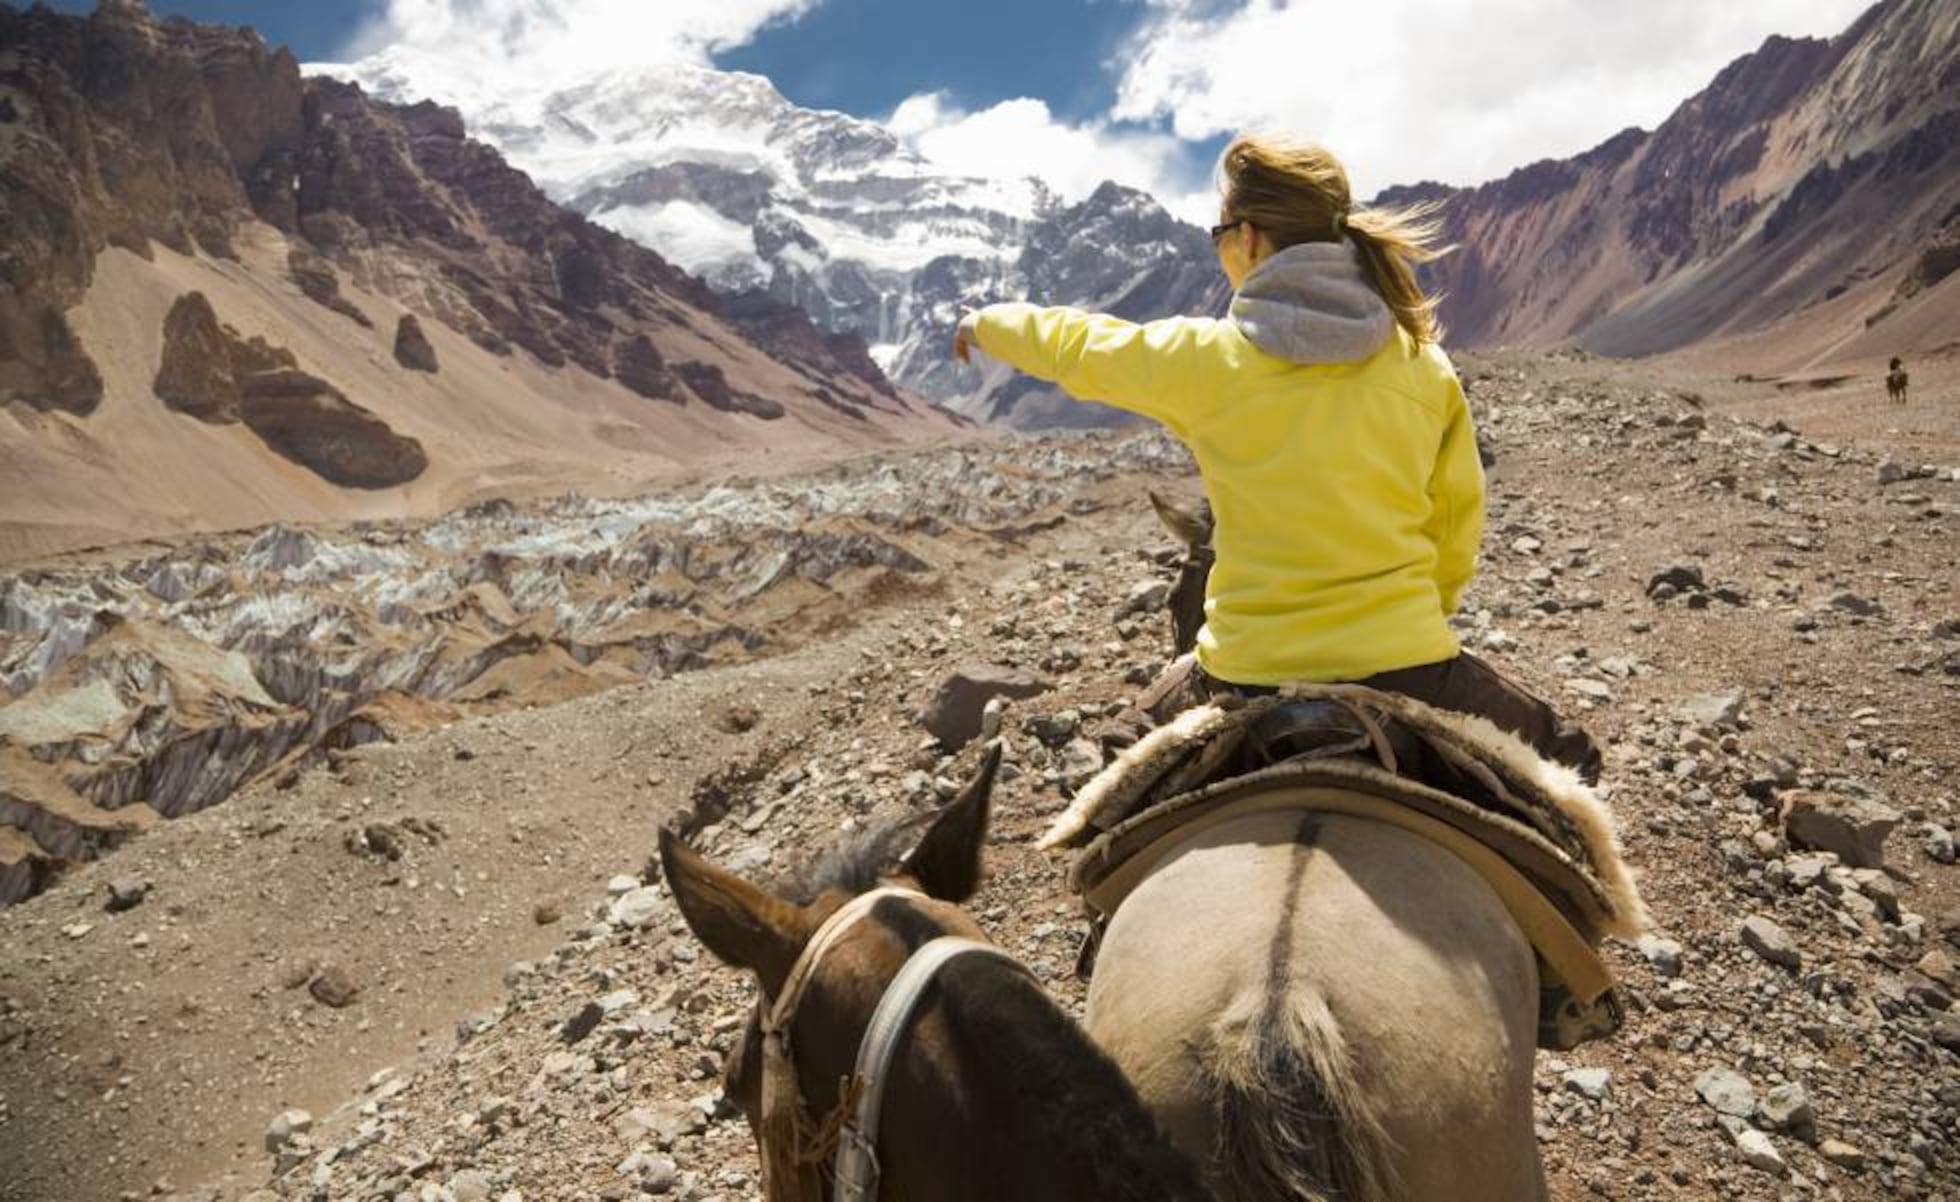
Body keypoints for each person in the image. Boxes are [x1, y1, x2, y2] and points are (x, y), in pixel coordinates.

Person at [954, 133, 1601, 783]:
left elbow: (1073, 344)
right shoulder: (1422, 366)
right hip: (1407, 658)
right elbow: (1456, 519)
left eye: (1221, 234)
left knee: (1114, 782)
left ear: (1251, 238)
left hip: (1245, 672)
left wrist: (981, 323)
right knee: (1569, 764)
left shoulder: (1205, 359)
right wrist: (1415, 613)